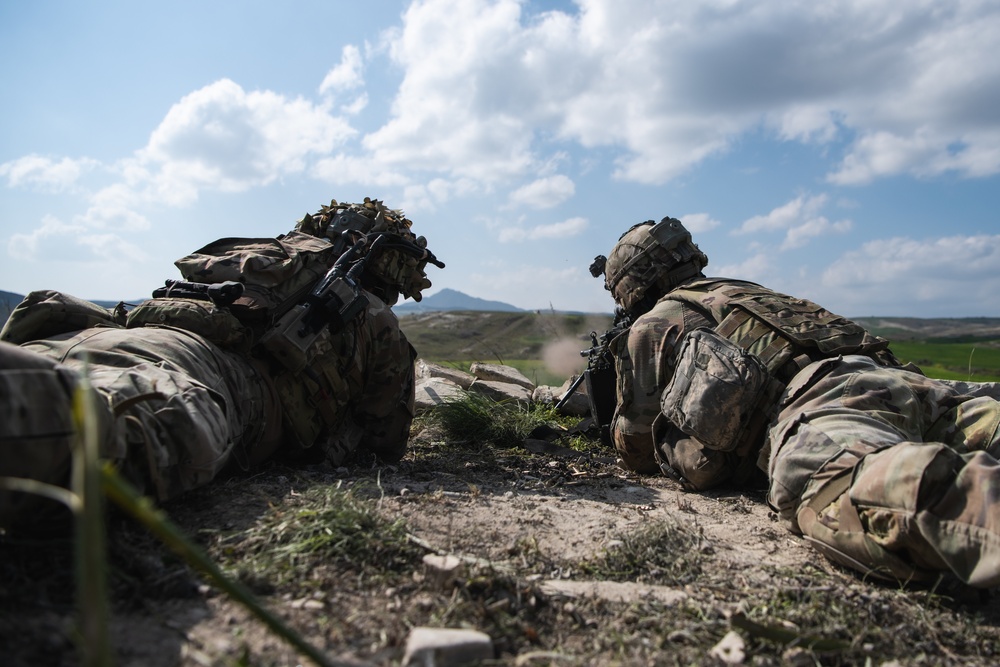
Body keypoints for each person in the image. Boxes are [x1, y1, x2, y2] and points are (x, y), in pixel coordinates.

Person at [594, 216, 1000, 588]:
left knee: (845, 488)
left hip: (827, 398)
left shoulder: (655, 323)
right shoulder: (748, 291)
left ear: (632, 286)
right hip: (907, 383)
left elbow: (636, 447)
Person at [0, 197, 442, 530]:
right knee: (105, 438)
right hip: (201, 378)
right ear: (392, 274)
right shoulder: (376, 317)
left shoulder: (256, 260)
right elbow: (383, 447)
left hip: (91, 335)